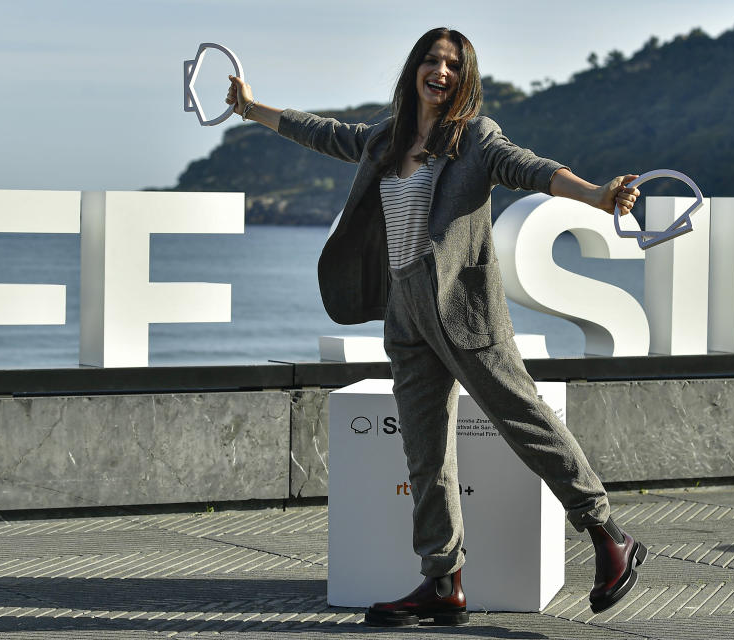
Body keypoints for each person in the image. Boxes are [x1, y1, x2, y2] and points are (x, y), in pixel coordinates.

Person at [226, 27, 646, 626]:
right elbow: (321, 132)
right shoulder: (385, 137)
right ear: (414, 69)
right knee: (424, 453)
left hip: (463, 307)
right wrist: (248, 109)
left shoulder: (475, 138)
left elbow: (530, 168)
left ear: (463, 76)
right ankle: (442, 581)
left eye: (453, 64)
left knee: (524, 420)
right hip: (405, 310)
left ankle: (608, 534)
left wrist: (597, 196)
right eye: (432, 60)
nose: (441, 72)